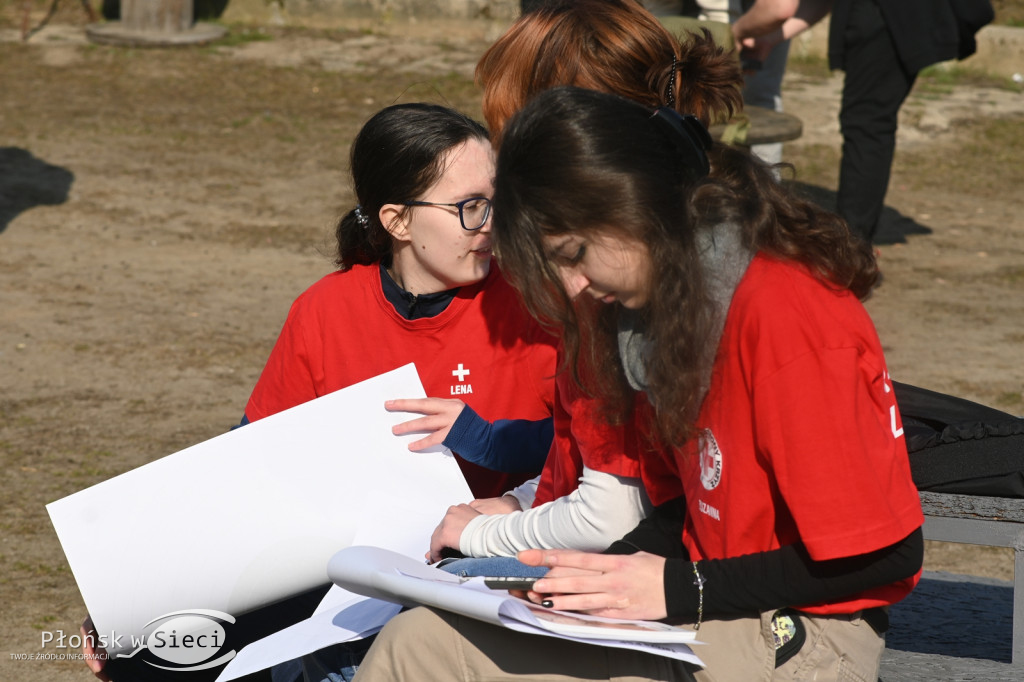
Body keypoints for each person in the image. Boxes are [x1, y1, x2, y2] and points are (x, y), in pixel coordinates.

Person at [350, 86, 925, 682]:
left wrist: (680, 588)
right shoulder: (661, 309)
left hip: (799, 624)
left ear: (631, 210)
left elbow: (883, 556)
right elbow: (675, 507)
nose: (574, 287)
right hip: (699, 598)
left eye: (575, 254)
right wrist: (560, 579)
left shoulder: (784, 315)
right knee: (416, 646)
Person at [81, 102, 558, 682]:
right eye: (469, 208)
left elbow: (588, 463)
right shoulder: (325, 309)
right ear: (397, 221)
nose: (492, 223)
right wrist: (129, 597)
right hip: (339, 575)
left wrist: (487, 442)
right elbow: (246, 465)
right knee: (149, 653)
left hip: (483, 568)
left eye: (497, 200)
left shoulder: (538, 306)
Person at [426, 0, 744, 573]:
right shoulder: (674, 236)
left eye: (509, 138)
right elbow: (584, 468)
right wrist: (518, 502)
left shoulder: (610, 290)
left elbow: (614, 513)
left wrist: (486, 535)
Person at [732, 0, 994, 244]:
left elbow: (779, 7)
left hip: (888, 19)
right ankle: (855, 233)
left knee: (867, 123)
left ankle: (852, 240)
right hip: (893, 16)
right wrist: (772, 38)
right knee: (868, 120)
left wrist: (734, 32)